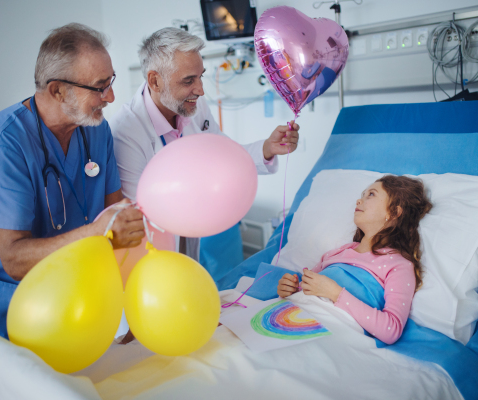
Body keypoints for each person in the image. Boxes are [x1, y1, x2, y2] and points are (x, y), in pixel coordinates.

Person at [0, 23, 145, 339]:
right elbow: (13, 258)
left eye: (110, 82)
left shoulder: (97, 131)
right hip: (0, 299)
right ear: (57, 90)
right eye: (99, 86)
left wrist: (136, 303)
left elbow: (119, 221)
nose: (110, 96)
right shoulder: (3, 142)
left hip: (64, 292)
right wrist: (97, 233)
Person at [109, 27, 300, 260]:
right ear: (155, 81)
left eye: (200, 76)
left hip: (190, 239)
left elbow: (222, 153)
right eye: (189, 80)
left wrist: (267, 148)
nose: (200, 90)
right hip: (151, 253)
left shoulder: (192, 105)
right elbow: (139, 215)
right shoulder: (126, 133)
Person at [277, 175, 432, 344]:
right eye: (363, 194)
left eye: (371, 194)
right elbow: (307, 287)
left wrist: (335, 293)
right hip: (289, 315)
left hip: (328, 330)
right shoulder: (335, 254)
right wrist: (291, 288)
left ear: (394, 212)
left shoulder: (398, 265)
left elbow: (391, 330)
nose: (359, 200)